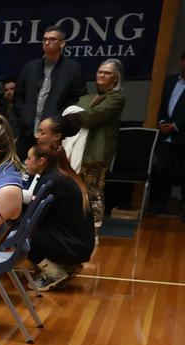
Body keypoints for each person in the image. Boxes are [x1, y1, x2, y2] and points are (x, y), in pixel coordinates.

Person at [23, 143, 95, 290]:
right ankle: (66, 266)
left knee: (19, 229)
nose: (26, 162)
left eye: (29, 158)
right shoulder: (63, 175)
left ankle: (53, 273)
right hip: (78, 244)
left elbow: (32, 216)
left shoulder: (50, 180)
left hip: (70, 246)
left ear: (41, 161)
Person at [14, 26, 87, 158]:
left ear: (62, 43)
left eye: (52, 39)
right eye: (45, 39)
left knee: (47, 169)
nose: (47, 42)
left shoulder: (73, 69)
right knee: (21, 169)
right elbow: (18, 96)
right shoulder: (30, 67)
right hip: (27, 131)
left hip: (53, 133)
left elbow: (77, 98)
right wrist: (24, 116)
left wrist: (58, 121)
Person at [73, 60, 124, 229]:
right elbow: (76, 114)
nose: (102, 75)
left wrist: (77, 114)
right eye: (100, 72)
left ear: (116, 79)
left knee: (93, 188)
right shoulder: (88, 97)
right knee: (78, 188)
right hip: (80, 148)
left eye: (107, 73)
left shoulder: (116, 98)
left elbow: (92, 117)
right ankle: (80, 222)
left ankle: (94, 225)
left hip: (98, 150)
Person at [150, 50, 185, 217]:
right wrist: (162, 122)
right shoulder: (170, 82)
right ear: (182, 62)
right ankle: (159, 204)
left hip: (182, 135)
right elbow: (161, 104)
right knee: (162, 170)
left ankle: (183, 208)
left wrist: (176, 126)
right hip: (166, 135)